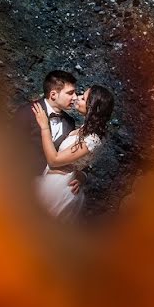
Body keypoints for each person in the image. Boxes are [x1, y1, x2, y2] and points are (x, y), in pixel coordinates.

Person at [34, 85, 114, 218]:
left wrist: (44, 127)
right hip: (51, 179)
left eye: (83, 98)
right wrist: (82, 175)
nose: (78, 97)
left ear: (92, 107)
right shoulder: (83, 129)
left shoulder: (92, 138)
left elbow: (54, 160)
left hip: (59, 189)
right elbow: (83, 161)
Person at [14, 70, 78, 179]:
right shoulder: (27, 112)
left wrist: (81, 176)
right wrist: (44, 171)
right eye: (70, 93)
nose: (75, 97)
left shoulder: (70, 122)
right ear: (53, 94)